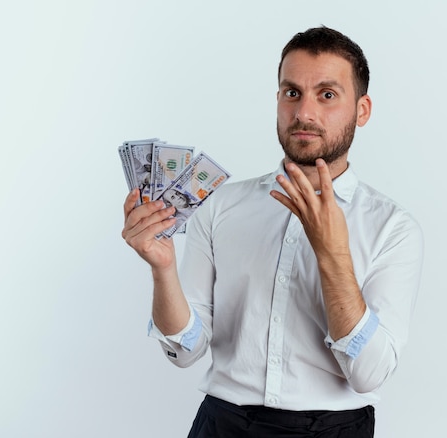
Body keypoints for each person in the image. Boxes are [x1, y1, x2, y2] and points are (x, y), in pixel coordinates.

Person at [122, 26, 424, 438]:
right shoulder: (221, 205)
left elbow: (368, 374)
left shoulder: (394, 229)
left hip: (333, 430)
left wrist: (332, 254)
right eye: (292, 92)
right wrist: (162, 268)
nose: (305, 113)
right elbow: (185, 350)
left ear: (363, 110)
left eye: (328, 94)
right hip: (221, 424)